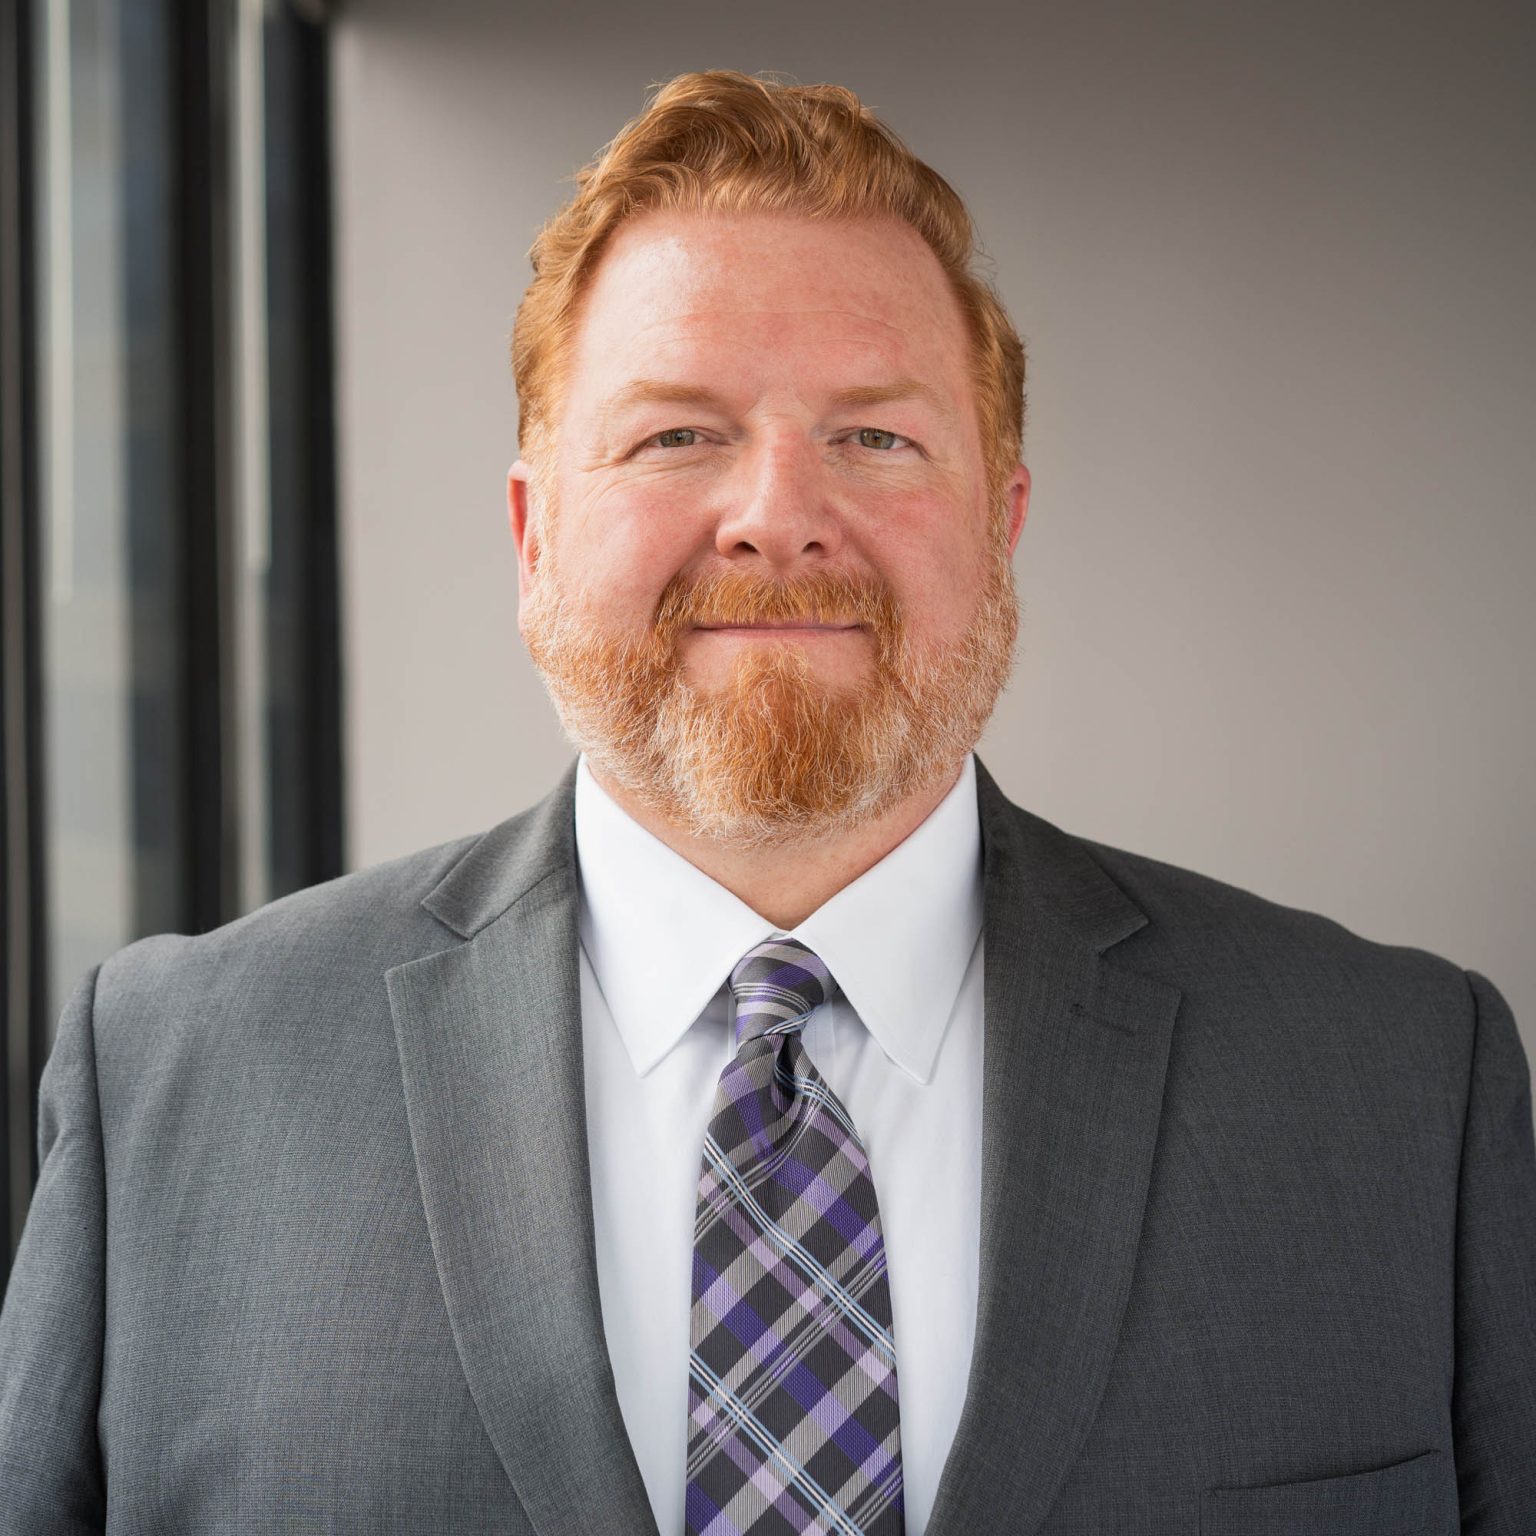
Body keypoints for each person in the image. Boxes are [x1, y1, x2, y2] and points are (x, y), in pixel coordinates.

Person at [1, 68, 1531, 1536]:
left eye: (875, 436)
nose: (781, 517)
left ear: (1001, 527)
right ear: (533, 535)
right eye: (678, 434)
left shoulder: (1403, 1093)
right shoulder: (175, 1086)